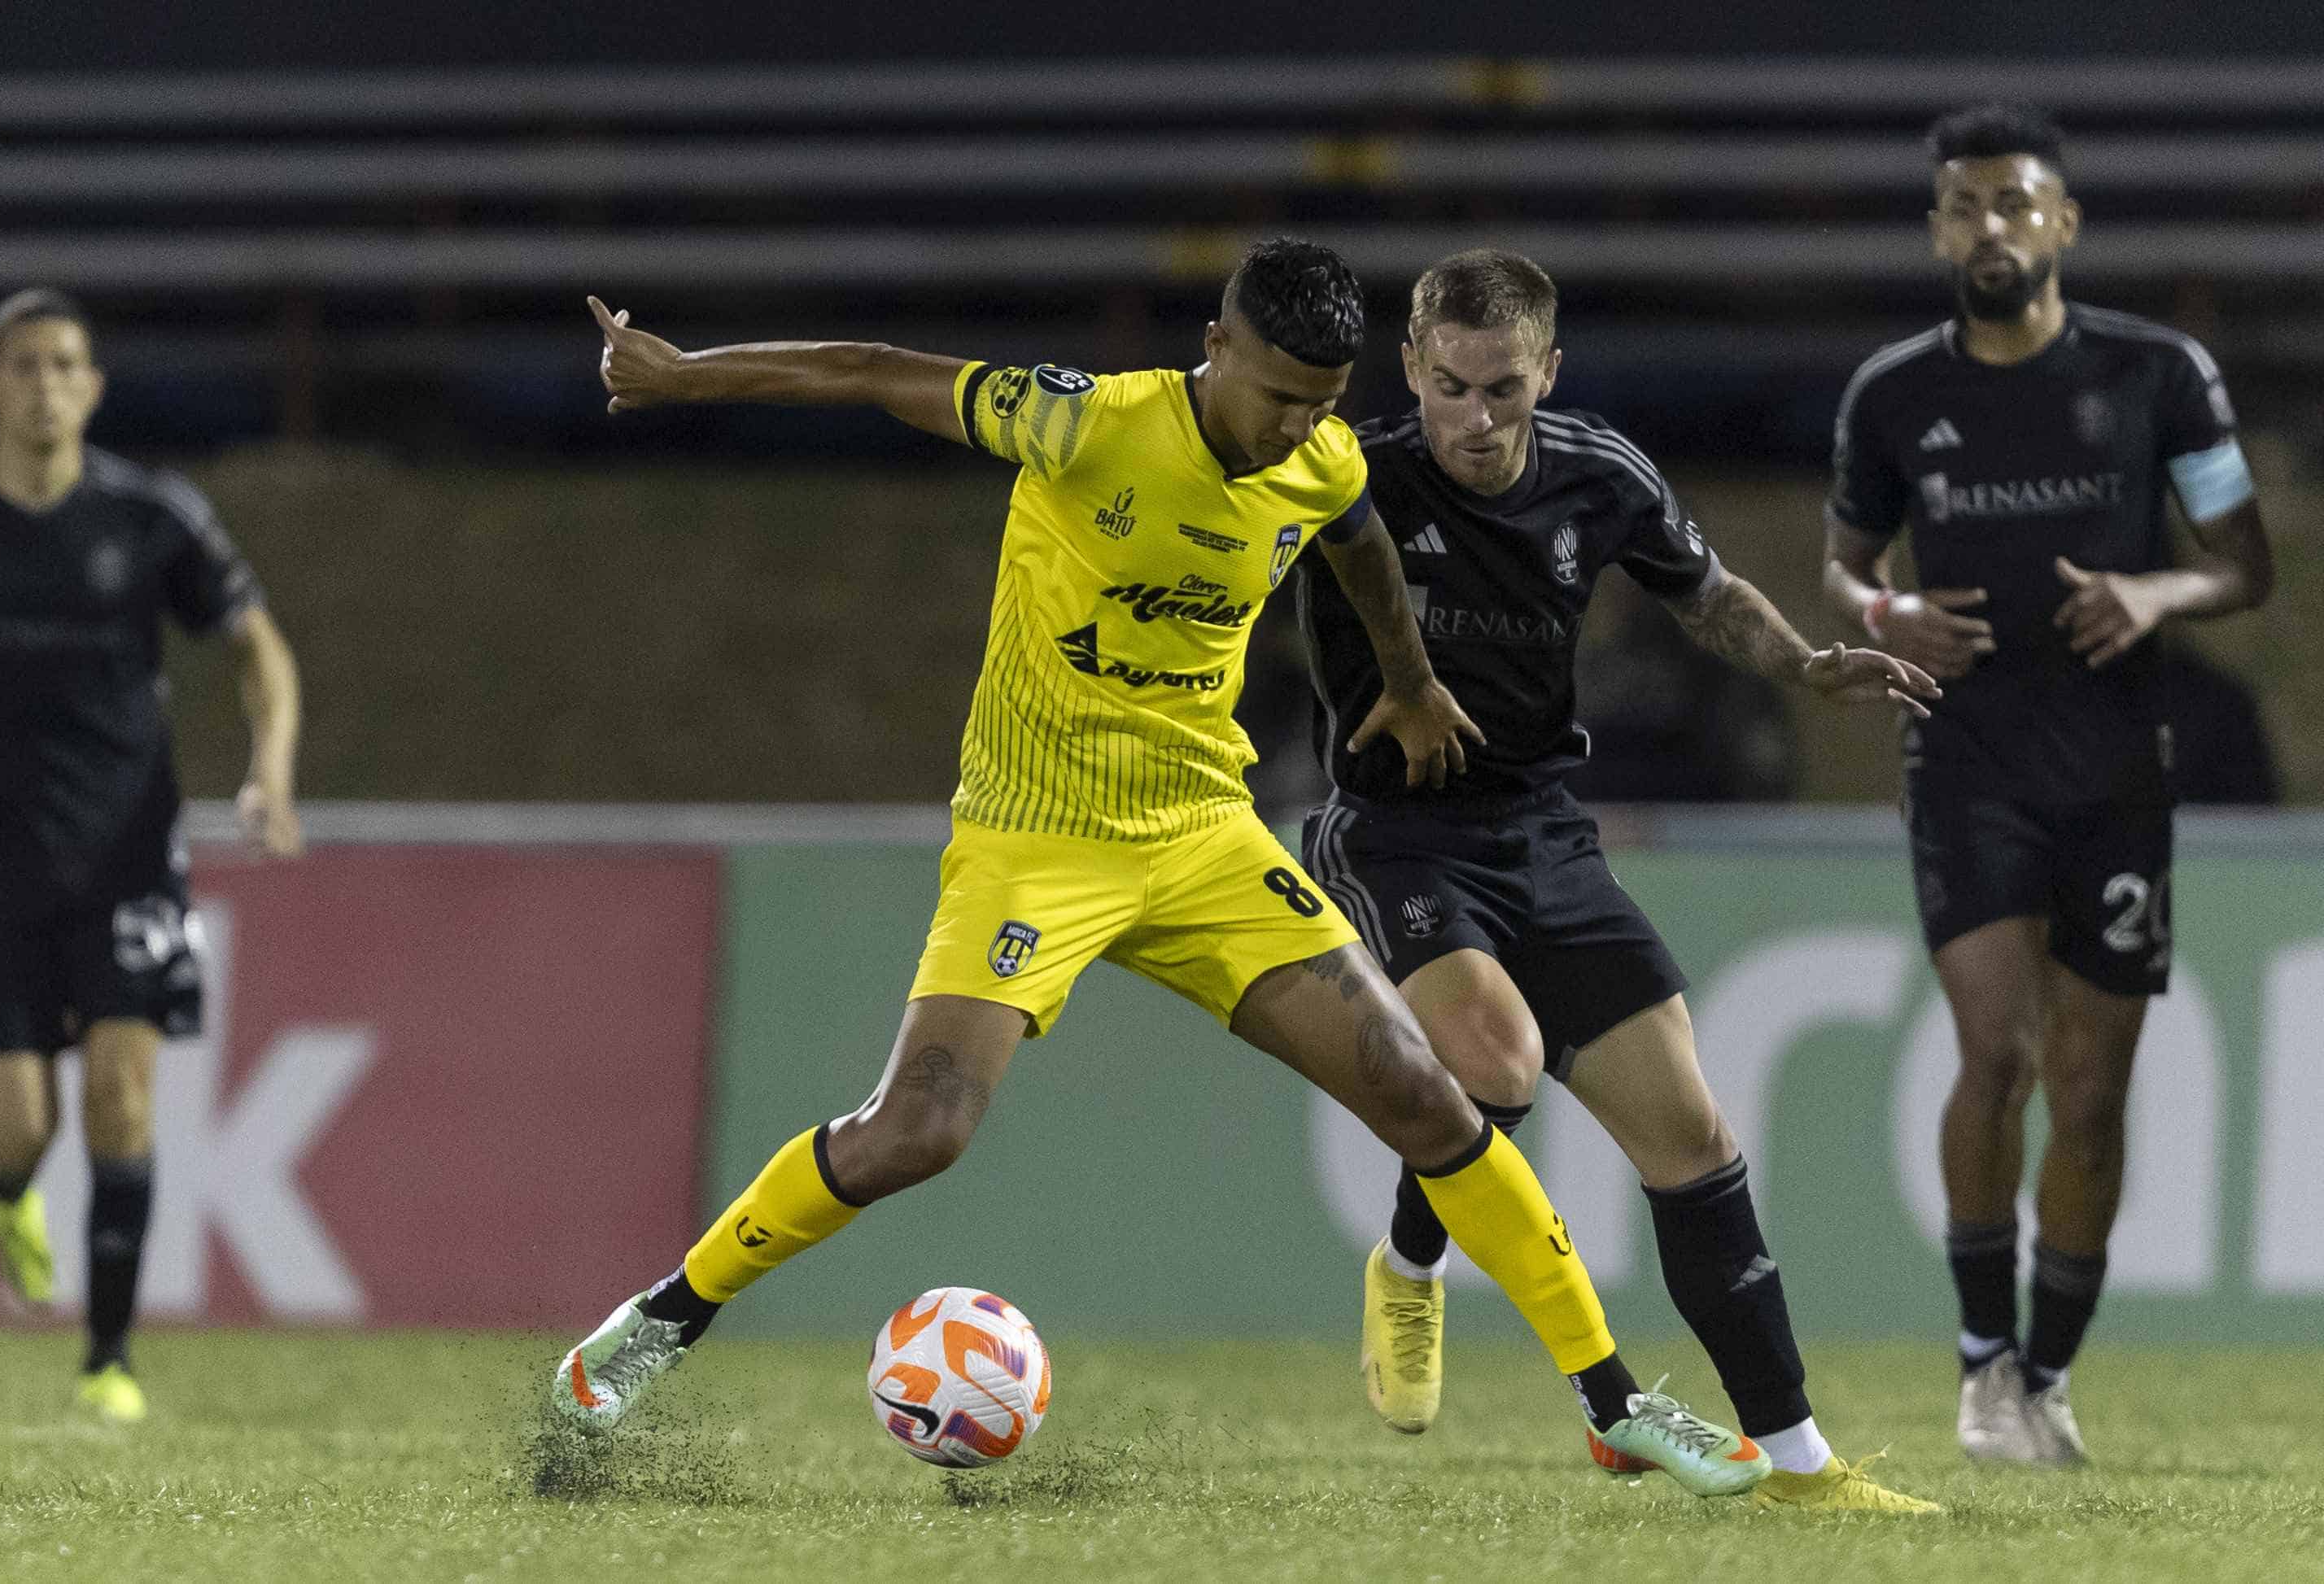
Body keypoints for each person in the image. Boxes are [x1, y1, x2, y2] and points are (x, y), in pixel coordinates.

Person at [553, 240, 1773, 1496]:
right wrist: (681, 373)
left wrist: (1409, 684)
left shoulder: (1324, 459)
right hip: (1038, 839)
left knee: (1428, 1098)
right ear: (1215, 347)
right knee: (917, 1129)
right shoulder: (1084, 423)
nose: (1294, 426)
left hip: (1200, 834)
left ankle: (1614, 1404)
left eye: (1319, 402)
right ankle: (659, 1319)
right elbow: (871, 371)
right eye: (1276, 395)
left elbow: (1359, 549)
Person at [1300, 248, 1942, 1514]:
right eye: (1446, 388)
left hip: (1543, 831)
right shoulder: (1348, 476)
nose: (1475, 423)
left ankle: (1802, 1471)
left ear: (1549, 371)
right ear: (1411, 368)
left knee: (1695, 1143)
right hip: (1399, 831)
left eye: (1503, 391)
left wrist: (1806, 663)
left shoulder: (1600, 473)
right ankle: (1411, 1264)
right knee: (1497, 1059)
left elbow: (1705, 597)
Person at [1822, 105, 2274, 1465]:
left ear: (2063, 222)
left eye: (2015, 203)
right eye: (1964, 206)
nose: (1991, 227)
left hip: (2117, 772)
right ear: (1936, 230)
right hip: (1965, 763)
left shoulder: (2160, 375)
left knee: (2092, 1090)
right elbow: (1843, 569)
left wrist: (2156, 587)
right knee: (1997, 1052)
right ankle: (1978, 1368)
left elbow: (2249, 562)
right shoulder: (1893, 395)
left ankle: (2048, 1377)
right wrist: (1880, 612)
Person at [0, 287, 304, 1422]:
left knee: (123, 1097)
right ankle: (6, 1192)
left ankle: (109, 1360)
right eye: (26, 365)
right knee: (14, 1132)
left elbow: (259, 651)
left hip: (126, 858)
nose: (47, 384)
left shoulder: (151, 518)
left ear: (93, 388)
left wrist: (272, 771)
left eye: (67, 365)